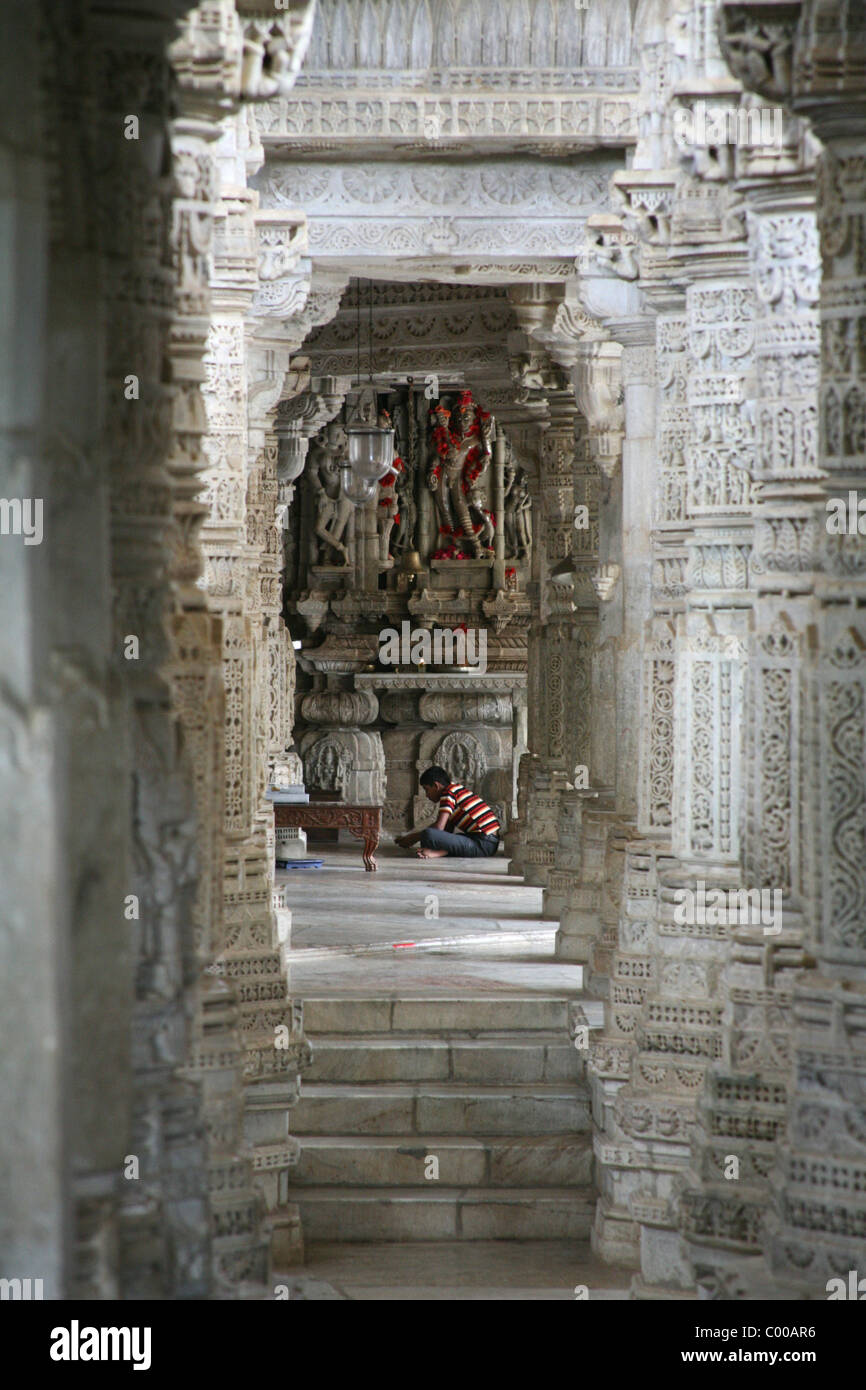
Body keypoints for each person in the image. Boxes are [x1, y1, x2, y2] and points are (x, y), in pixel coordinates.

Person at [395, 765, 501, 860]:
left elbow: (438, 828)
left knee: (428, 834)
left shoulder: (448, 793)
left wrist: (413, 838)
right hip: (487, 841)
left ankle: (440, 852)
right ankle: (439, 852)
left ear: (436, 786)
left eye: (427, 789)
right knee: (433, 836)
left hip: (484, 844)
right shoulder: (455, 789)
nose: (427, 795)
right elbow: (446, 830)